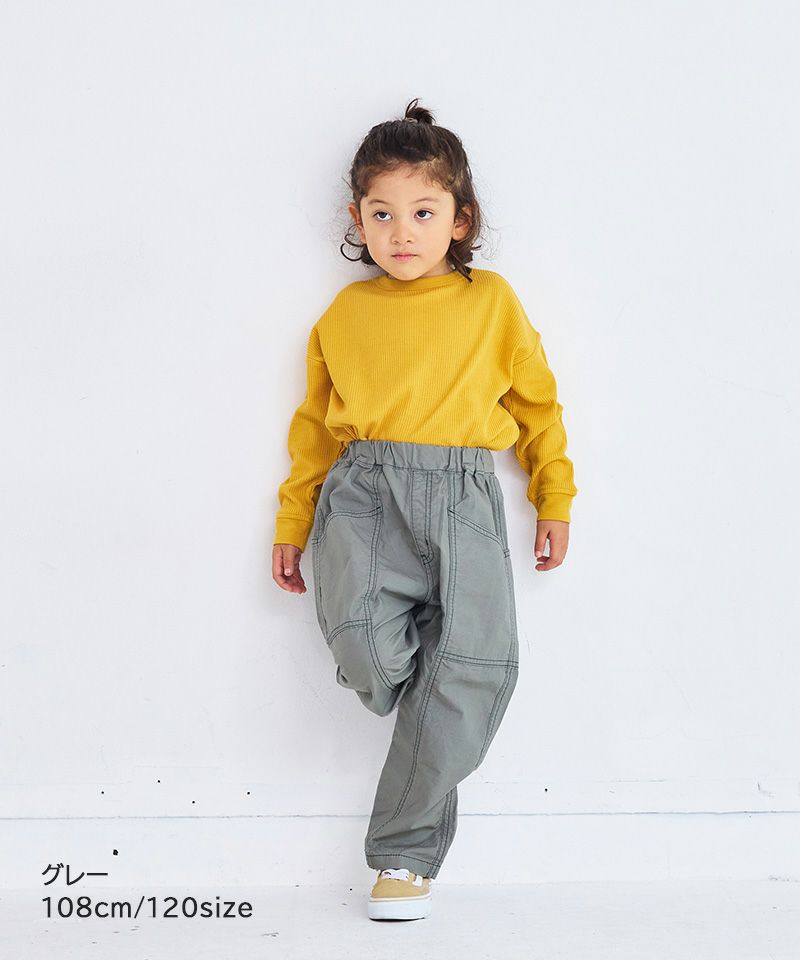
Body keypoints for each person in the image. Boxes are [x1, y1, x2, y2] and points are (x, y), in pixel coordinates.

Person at [272, 98, 577, 921]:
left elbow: (538, 407)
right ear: (357, 220)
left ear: (459, 219)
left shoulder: (492, 302)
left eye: (423, 212)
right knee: (371, 657)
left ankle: (403, 858)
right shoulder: (344, 315)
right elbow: (313, 432)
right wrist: (293, 522)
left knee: (472, 667)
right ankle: (432, 710)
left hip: (464, 494)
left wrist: (554, 495)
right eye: (382, 213)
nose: (401, 231)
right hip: (364, 495)